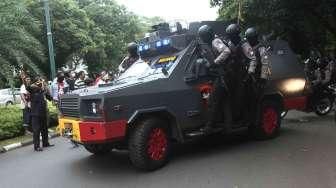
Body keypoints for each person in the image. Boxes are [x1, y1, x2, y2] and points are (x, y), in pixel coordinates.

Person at [197, 24, 256, 133]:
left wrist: (250, 73)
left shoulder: (218, 42)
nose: (231, 37)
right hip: (230, 74)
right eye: (229, 35)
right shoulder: (227, 43)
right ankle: (229, 125)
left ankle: (211, 126)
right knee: (227, 101)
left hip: (238, 74)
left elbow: (251, 58)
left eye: (232, 35)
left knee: (218, 100)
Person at [244, 27, 271, 123]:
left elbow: (265, 63)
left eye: (250, 38)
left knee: (257, 102)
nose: (249, 40)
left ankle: (256, 121)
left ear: (255, 37)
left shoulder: (261, 48)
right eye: (247, 38)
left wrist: (263, 78)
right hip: (248, 77)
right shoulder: (247, 47)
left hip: (257, 78)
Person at [26, 77, 54, 151]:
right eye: (38, 81)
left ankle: (45, 143)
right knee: (36, 130)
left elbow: (50, 98)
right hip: (35, 114)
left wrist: (46, 87)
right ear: (34, 83)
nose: (40, 83)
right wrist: (25, 80)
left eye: (41, 81)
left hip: (43, 112)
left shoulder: (43, 90)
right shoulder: (32, 90)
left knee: (44, 129)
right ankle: (37, 146)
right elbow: (28, 87)